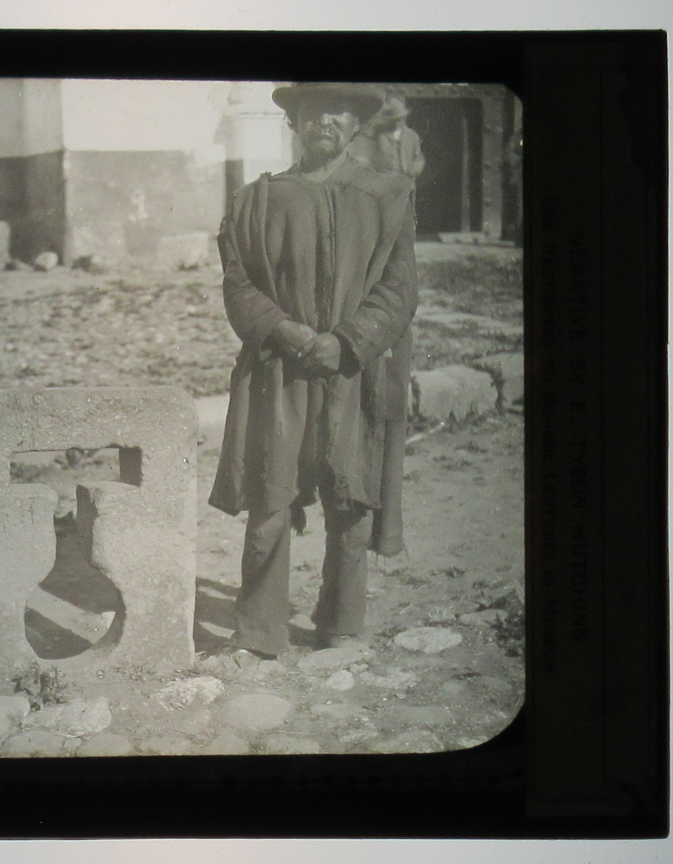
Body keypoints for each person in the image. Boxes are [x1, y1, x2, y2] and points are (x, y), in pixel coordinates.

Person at [208, 82, 418, 659]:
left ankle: (341, 622)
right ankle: (259, 631)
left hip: (355, 370)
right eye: (312, 110)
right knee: (270, 494)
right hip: (281, 369)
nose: (326, 120)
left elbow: (399, 289)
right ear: (294, 122)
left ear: (357, 124)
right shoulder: (255, 201)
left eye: (340, 111)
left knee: (351, 497)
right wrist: (285, 330)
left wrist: (347, 341)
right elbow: (238, 285)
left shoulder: (388, 195)